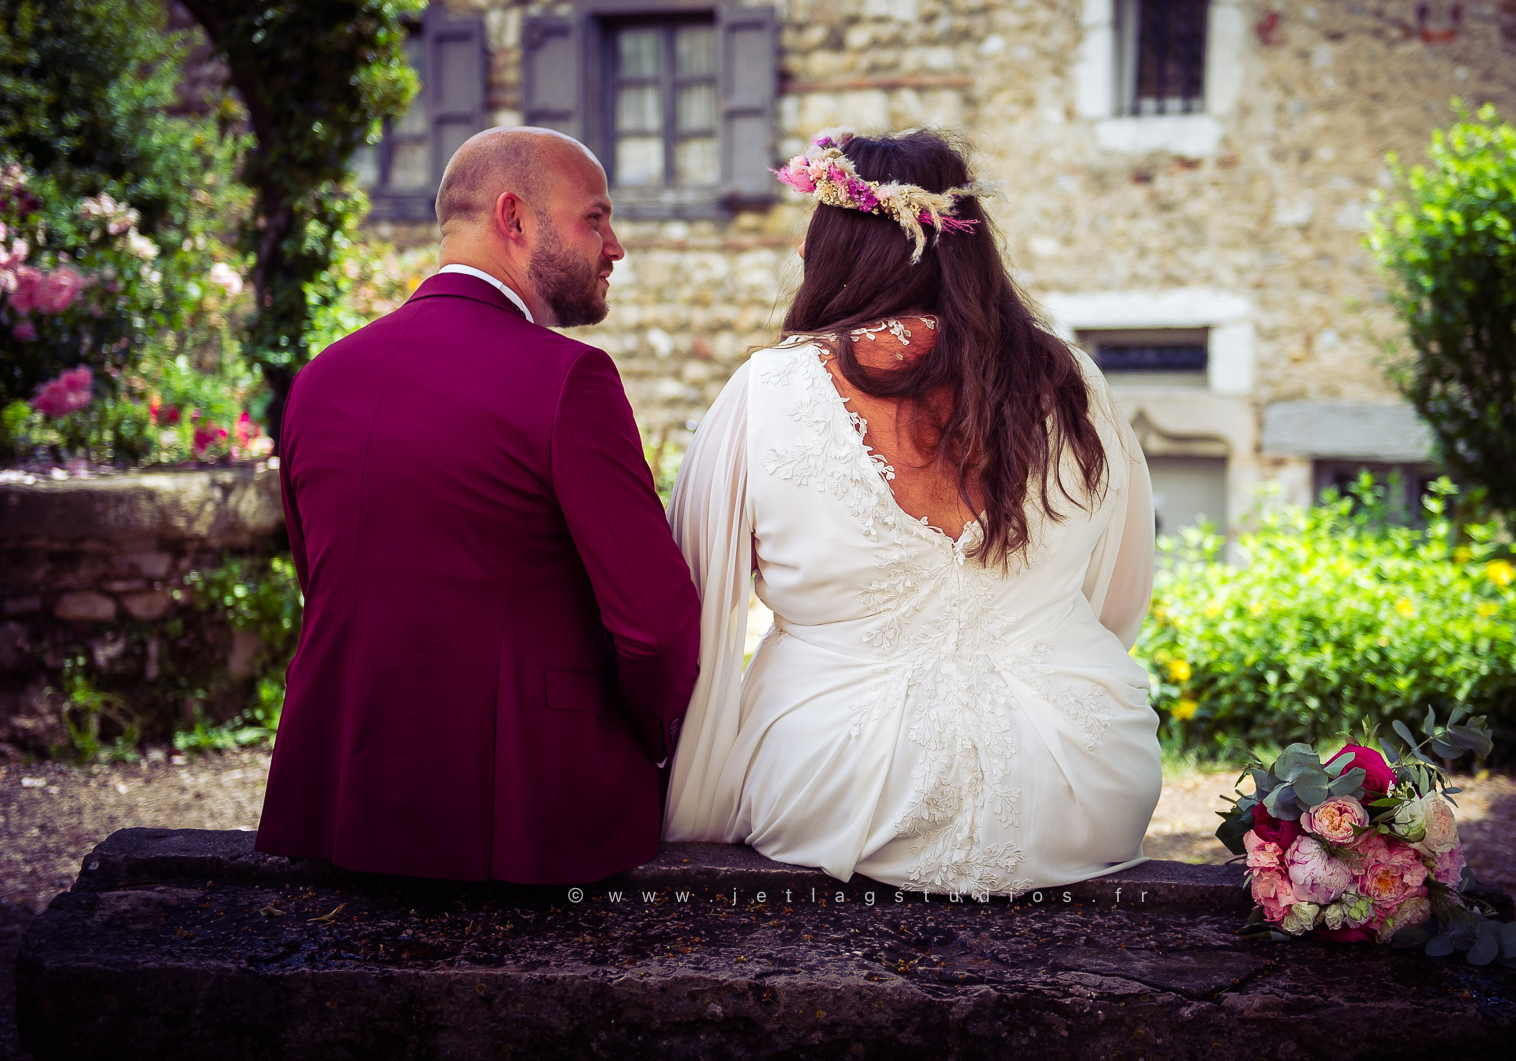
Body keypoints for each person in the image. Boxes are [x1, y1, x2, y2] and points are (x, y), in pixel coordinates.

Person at [663, 127, 1161, 894]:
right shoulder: (1074, 382)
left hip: (831, 785)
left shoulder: (769, 390)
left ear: (833, 248)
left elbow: (694, 608)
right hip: (1078, 783)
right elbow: (1116, 598)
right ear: (970, 241)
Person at [255, 127, 700, 885]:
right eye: (595, 218)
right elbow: (656, 627)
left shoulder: (320, 378)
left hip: (346, 802)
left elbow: (324, 589)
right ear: (514, 217)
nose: (615, 247)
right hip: (523, 808)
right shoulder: (568, 379)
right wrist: (657, 744)